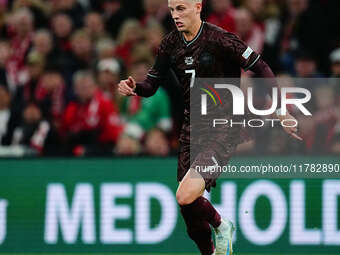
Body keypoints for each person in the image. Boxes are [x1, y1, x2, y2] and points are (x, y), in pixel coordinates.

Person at [118, 0, 301, 254]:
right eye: (172, 10)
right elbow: (151, 85)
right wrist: (135, 87)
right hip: (192, 128)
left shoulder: (221, 39)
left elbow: (261, 67)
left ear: (198, 7)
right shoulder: (170, 44)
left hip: (223, 126)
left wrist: (280, 109)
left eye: (181, 8)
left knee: (184, 195)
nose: (175, 15)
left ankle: (221, 224)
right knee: (188, 208)